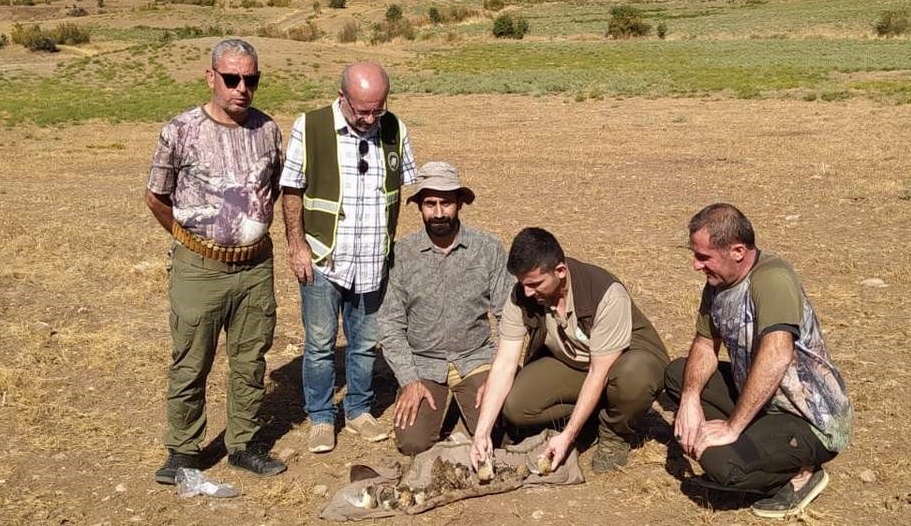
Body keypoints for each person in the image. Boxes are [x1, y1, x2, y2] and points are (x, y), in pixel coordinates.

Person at [144, 38, 286, 484]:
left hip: (254, 267)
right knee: (191, 359)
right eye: (231, 78)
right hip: (199, 269)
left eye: (251, 80)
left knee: (251, 359)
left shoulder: (268, 130)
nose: (241, 88)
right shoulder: (180, 130)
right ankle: (183, 451)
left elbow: (274, 188)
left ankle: (243, 443)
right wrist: (191, 240)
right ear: (211, 78)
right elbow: (155, 195)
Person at [664, 203, 853, 518]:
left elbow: (777, 355)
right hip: (762, 399)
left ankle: (803, 474)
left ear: (737, 251)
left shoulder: (772, 278)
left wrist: (731, 427)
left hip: (807, 417)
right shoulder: (718, 284)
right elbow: (704, 343)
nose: (696, 265)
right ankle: (756, 443)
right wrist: (690, 398)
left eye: (703, 257)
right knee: (676, 375)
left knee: (721, 465)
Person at [280, 62, 416, 453]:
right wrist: (297, 244)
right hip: (324, 259)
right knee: (320, 344)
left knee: (365, 343)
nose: (371, 118)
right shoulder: (310, 127)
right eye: (362, 111)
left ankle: (358, 410)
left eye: (378, 109)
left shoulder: (394, 128)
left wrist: (392, 247)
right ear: (342, 98)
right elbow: (291, 189)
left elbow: (402, 190)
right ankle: (322, 417)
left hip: (374, 258)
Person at [471, 228, 669, 473]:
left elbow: (599, 372)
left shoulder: (606, 293)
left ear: (560, 271)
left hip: (622, 362)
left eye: (535, 284)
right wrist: (482, 432)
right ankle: (592, 415)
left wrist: (568, 436)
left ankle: (614, 433)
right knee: (517, 406)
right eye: (523, 284)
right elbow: (504, 363)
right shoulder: (521, 296)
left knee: (634, 376)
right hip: (573, 361)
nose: (527, 293)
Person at [378, 162, 513, 455]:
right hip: (423, 363)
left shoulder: (487, 248)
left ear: (460, 203)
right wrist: (409, 379)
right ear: (419, 207)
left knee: (502, 432)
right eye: (430, 204)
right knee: (412, 442)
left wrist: (500, 373)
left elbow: (508, 316)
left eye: (446, 203)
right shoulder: (401, 254)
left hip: (476, 357)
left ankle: (468, 418)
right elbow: (390, 325)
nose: (438, 212)